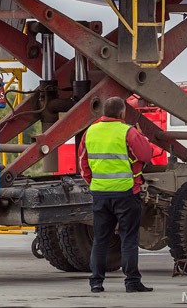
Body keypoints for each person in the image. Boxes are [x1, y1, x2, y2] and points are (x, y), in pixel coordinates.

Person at [79, 96, 154, 294]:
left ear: (104, 112)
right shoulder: (127, 131)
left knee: (100, 239)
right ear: (122, 113)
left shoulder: (90, 132)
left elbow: (83, 163)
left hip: (100, 194)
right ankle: (132, 282)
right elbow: (147, 154)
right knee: (128, 238)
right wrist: (142, 137)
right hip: (126, 192)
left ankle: (96, 282)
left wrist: (93, 183)